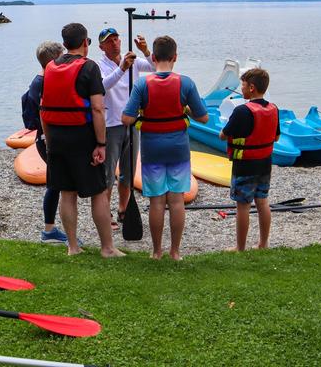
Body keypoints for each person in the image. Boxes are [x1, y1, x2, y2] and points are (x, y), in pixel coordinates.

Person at [40, 23, 124, 258]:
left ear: (65, 44)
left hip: (56, 137)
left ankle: (73, 246)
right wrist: (101, 143)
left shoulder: (50, 66)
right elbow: (98, 108)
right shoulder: (89, 67)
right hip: (82, 137)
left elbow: (43, 107)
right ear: (86, 42)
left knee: (67, 193)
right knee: (98, 193)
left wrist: (48, 140)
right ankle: (107, 247)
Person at [121, 35, 208, 260]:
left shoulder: (142, 84)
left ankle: (156, 251)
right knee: (177, 200)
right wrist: (185, 109)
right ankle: (175, 251)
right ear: (175, 57)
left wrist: (143, 113)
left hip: (152, 149)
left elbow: (126, 119)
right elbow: (204, 118)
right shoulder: (186, 83)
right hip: (178, 148)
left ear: (154, 57)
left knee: (157, 201)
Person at [96, 27, 154, 230]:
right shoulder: (99, 65)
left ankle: (123, 209)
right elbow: (103, 86)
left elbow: (157, 68)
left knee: (128, 173)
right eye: (109, 41)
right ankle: (106, 213)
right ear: (101, 46)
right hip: (111, 125)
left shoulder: (133, 61)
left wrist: (146, 50)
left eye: (116, 39)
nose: (114, 43)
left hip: (132, 122)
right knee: (108, 173)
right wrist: (121, 68)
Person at [218, 68, 279, 251]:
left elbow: (223, 135)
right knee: (263, 201)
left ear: (251, 87)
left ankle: (240, 247)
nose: (241, 88)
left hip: (245, 165)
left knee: (243, 205)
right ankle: (263, 243)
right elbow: (276, 138)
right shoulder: (273, 109)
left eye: (243, 85)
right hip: (265, 164)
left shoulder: (242, 111)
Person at [22, 41, 68, 243]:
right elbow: (44, 115)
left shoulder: (40, 80)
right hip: (47, 140)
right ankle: (49, 231)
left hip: (45, 139)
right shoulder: (44, 82)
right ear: (53, 60)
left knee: (55, 183)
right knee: (55, 184)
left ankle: (50, 229)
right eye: (62, 55)